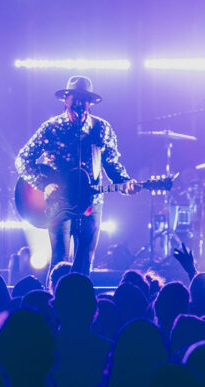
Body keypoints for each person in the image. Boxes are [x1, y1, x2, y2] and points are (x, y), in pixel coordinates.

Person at [15, 76, 138, 275]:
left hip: (91, 203)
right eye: (75, 99)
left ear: (89, 104)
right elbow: (22, 159)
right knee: (60, 260)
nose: (79, 105)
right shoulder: (51, 128)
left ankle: (81, 302)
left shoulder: (102, 129)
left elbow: (112, 164)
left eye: (83, 100)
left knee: (84, 262)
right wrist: (44, 184)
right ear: (66, 100)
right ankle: (54, 300)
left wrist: (125, 183)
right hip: (58, 204)